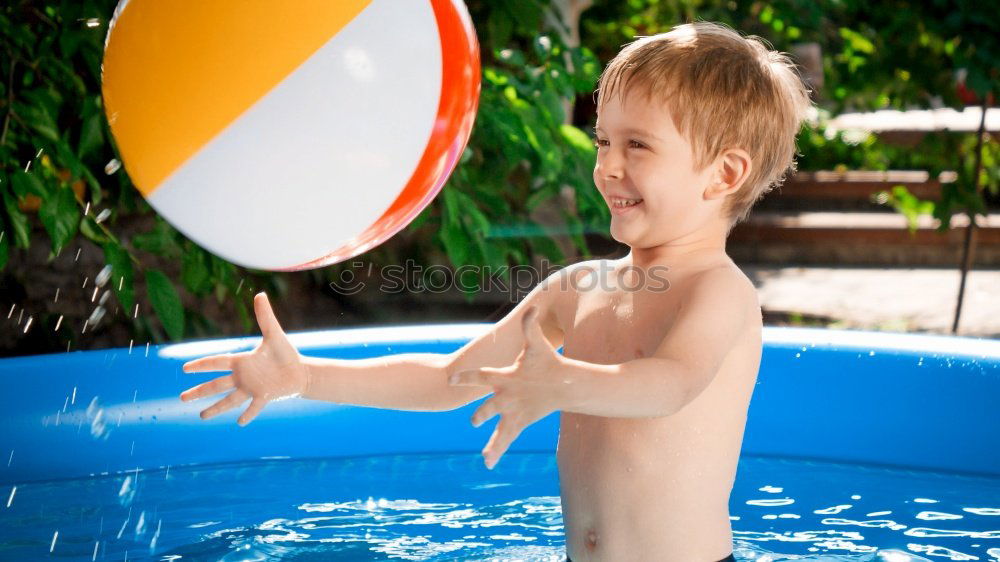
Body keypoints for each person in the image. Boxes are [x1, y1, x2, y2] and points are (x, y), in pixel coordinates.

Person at [179, 21, 811, 562]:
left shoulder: (718, 294)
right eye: (603, 142)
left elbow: (672, 383)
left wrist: (566, 382)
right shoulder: (578, 287)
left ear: (724, 173)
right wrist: (307, 377)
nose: (607, 166)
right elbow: (452, 377)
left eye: (637, 146)